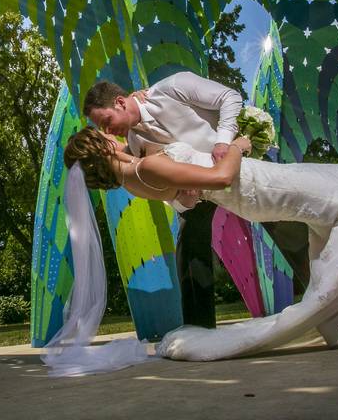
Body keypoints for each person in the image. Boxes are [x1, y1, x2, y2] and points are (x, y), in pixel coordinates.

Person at [61, 127, 338, 361]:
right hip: (254, 186)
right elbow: (220, 177)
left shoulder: (136, 178)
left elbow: (188, 197)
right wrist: (236, 145)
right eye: (100, 135)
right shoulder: (147, 167)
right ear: (100, 148)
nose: (108, 134)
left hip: (259, 188)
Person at [83, 73, 242, 328]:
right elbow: (163, 192)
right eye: (103, 129)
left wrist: (224, 142)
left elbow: (230, 97)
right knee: (189, 237)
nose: (108, 130)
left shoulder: (173, 87)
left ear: (121, 102)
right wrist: (184, 201)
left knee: (284, 220)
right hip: (200, 195)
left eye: (107, 121)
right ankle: (198, 329)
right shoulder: (135, 148)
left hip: (237, 165)